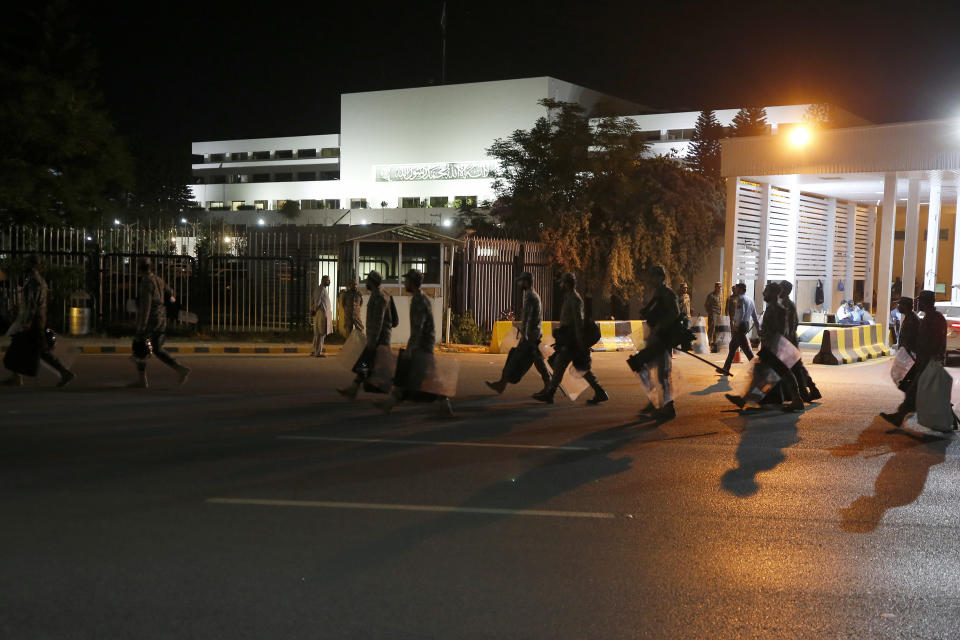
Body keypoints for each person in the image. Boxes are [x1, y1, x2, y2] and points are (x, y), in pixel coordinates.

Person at [375, 269, 454, 416]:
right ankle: (445, 405)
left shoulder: (419, 300)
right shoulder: (419, 298)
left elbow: (418, 327)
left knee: (415, 376)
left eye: (407, 281)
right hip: (423, 344)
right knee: (418, 375)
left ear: (412, 282)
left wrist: (411, 347)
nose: (405, 283)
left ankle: (390, 404)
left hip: (422, 345)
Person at [725, 282, 804, 412]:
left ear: (773, 293)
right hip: (771, 346)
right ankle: (746, 399)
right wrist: (764, 334)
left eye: (766, 291)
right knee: (765, 373)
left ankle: (747, 399)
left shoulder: (779, 309)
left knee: (779, 372)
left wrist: (769, 337)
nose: (763, 293)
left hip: (775, 347)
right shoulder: (772, 308)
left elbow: (782, 330)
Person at [533, 272, 607, 405]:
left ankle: (550, 393)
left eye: (563, 282)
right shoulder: (569, 298)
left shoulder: (575, 299)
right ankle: (599, 391)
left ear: (567, 284)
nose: (561, 285)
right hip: (569, 338)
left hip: (572, 340)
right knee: (578, 367)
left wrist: (579, 341)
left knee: (562, 365)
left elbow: (578, 321)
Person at [2, 254, 75, 388]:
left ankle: (64, 373)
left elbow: (33, 304)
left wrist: (27, 322)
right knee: (25, 348)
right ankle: (16, 377)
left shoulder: (35, 281)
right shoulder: (37, 280)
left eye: (30, 264)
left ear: (36, 266)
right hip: (35, 320)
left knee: (29, 349)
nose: (27, 267)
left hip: (33, 322)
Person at [486, 271, 552, 394]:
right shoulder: (533, 295)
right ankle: (548, 385)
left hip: (531, 336)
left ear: (526, 282)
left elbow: (527, 318)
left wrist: (525, 336)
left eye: (521, 281)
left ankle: (502, 384)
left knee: (515, 358)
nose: (519, 283)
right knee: (537, 360)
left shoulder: (530, 296)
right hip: (534, 334)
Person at [880, 293, 941, 427]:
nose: (919, 304)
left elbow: (930, 342)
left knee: (913, 390)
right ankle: (906, 413)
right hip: (922, 361)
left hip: (927, 362)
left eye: (900, 304)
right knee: (914, 389)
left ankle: (903, 415)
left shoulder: (930, 319)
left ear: (926, 302)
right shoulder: (924, 318)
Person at [130, 258, 190, 389]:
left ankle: (142, 380)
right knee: (156, 348)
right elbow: (171, 293)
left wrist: (141, 326)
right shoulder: (158, 279)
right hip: (161, 317)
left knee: (140, 347)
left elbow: (146, 305)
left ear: (139, 269)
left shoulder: (146, 282)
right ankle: (180, 368)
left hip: (151, 319)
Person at [632, 265, 683, 420]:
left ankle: (668, 407)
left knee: (662, 374)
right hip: (654, 339)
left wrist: (660, 326)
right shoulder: (657, 293)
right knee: (643, 369)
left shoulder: (668, 294)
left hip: (662, 339)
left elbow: (675, 313)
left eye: (655, 276)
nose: (652, 279)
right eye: (651, 276)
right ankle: (654, 402)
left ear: (661, 277)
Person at [337, 270, 392, 399]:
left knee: (378, 366)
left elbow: (378, 321)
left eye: (367, 280)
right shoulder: (377, 294)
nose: (365, 283)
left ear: (372, 282)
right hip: (376, 338)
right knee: (365, 363)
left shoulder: (380, 296)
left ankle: (397, 394)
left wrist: (373, 341)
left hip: (379, 339)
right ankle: (354, 388)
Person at [778, 280, 821, 402]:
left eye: (781, 289)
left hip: (788, 342)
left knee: (795, 369)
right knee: (798, 368)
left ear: (785, 291)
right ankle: (809, 391)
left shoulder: (787, 305)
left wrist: (785, 341)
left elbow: (790, 325)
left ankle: (803, 393)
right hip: (790, 341)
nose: (779, 291)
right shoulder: (787, 304)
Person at [720, 282, 759, 375]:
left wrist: (736, 325)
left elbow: (740, 313)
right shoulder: (750, 300)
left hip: (740, 325)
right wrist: (758, 328)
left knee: (746, 350)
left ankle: (757, 370)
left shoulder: (740, 299)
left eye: (737, 288)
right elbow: (754, 316)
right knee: (733, 346)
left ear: (741, 289)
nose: (735, 290)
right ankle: (726, 367)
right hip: (746, 325)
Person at [311, 275, 333, 357]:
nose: (329, 282)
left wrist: (313, 310)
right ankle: (318, 352)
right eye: (328, 280)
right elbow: (317, 301)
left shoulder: (319, 289)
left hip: (318, 313)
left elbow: (314, 301)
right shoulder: (322, 289)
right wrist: (314, 310)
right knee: (321, 333)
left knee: (317, 333)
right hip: (321, 313)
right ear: (323, 281)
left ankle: (314, 350)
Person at [704, 281, 723, 353]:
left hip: (718, 313)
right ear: (715, 287)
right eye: (718, 287)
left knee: (717, 330)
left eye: (720, 287)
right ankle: (708, 343)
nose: (719, 288)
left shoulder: (720, 295)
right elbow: (706, 305)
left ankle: (714, 344)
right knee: (711, 329)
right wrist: (710, 312)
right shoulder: (711, 295)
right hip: (713, 313)